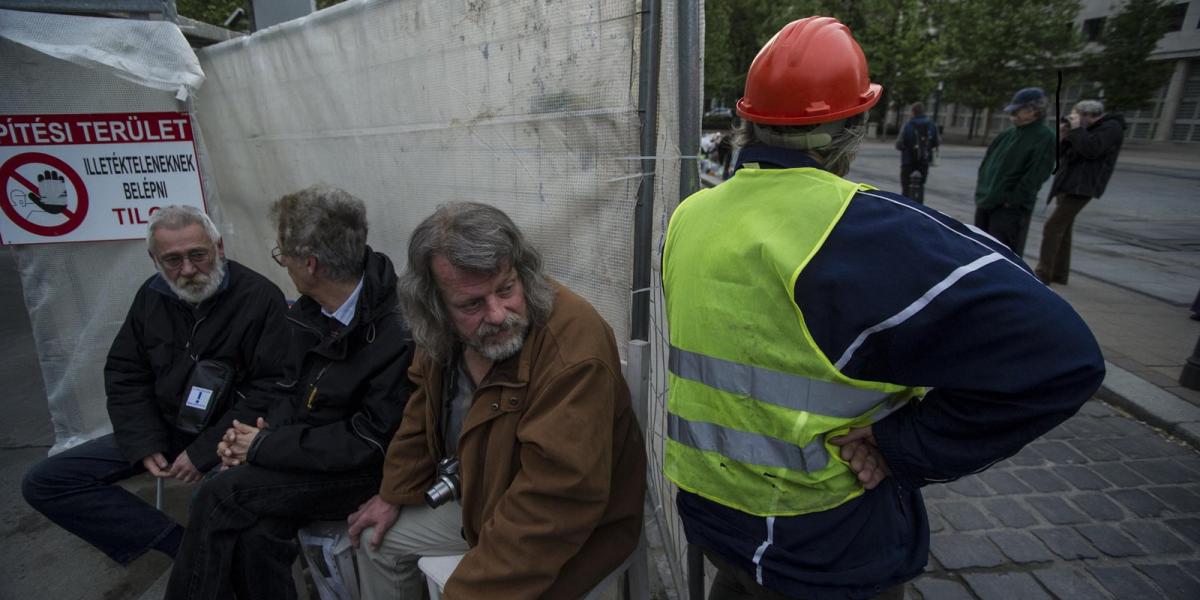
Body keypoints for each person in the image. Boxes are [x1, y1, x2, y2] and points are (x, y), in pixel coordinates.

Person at [662, 17, 1105, 600]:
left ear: (748, 121)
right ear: (853, 127)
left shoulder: (691, 215)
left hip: (714, 516)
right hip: (821, 539)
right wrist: (901, 445)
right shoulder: (865, 230)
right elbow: (1065, 358)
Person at [349, 202, 646, 599]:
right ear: (435, 305)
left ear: (521, 271)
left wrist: (469, 591)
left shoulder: (573, 349)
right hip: (481, 499)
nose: (497, 313)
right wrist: (394, 492)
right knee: (373, 539)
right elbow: (422, 412)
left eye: (506, 289)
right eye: (471, 304)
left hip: (571, 530)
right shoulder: (441, 331)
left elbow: (557, 500)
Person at [165, 185, 415, 599]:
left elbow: (369, 441)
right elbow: (286, 389)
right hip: (307, 456)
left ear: (310, 264)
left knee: (220, 495)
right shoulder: (310, 310)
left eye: (283, 255)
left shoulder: (397, 330)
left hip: (367, 474)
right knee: (257, 530)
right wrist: (247, 440)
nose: (284, 266)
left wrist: (262, 446)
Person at [21, 205, 289, 566]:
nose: (189, 270)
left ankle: (207, 561)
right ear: (154, 260)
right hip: (164, 427)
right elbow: (125, 372)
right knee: (46, 482)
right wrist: (144, 442)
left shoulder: (259, 297)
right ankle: (179, 547)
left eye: (198, 255)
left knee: (211, 500)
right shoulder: (152, 295)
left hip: (229, 436)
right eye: (173, 260)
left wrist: (204, 451)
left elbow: (271, 389)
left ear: (219, 247)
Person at [1035, 100, 1126, 285]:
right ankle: (1058, 273)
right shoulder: (1083, 130)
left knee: (1052, 227)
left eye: (1076, 116)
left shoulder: (1111, 128)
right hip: (1067, 183)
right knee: (1063, 229)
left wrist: (1077, 130)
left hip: (1083, 186)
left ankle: (1043, 274)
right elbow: (1061, 154)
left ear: (1089, 116)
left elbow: (1092, 150)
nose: (1073, 119)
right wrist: (1063, 134)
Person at [973, 86, 1057, 256]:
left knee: (1003, 254)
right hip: (987, 201)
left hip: (1009, 209)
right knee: (980, 250)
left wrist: (1011, 201)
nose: (1013, 115)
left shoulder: (1045, 137)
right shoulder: (1007, 134)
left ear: (1033, 111)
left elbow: (1035, 176)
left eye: (1018, 110)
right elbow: (987, 163)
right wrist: (983, 190)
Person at [895, 102, 939, 202]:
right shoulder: (932, 125)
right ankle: (919, 207)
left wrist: (906, 148)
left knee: (905, 189)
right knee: (920, 186)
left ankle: (905, 208)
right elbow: (936, 142)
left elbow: (898, 144)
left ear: (913, 112)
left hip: (908, 162)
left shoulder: (907, 125)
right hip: (923, 162)